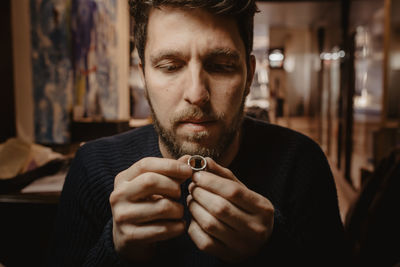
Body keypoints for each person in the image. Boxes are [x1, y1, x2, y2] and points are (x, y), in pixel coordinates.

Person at [48, 0, 352, 266]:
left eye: (221, 66)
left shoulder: (300, 162)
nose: (196, 94)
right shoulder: (92, 165)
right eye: (170, 66)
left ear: (249, 76)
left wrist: (273, 250)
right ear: (143, 76)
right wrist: (115, 250)